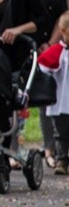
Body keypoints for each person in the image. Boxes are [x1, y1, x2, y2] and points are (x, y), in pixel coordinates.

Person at [16, 0, 67, 168]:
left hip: (49, 47)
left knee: (49, 95)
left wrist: (51, 42)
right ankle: (13, 147)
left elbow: (62, 15)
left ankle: (51, 146)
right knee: (22, 96)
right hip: (26, 47)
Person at [37, 11, 69, 175]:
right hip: (61, 102)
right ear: (63, 32)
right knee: (61, 132)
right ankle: (62, 160)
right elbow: (43, 64)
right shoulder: (58, 51)